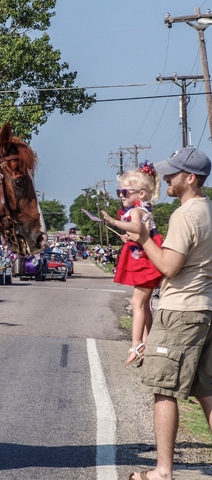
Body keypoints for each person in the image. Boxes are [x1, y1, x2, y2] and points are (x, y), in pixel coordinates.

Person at [127, 148, 212, 480]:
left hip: (180, 311)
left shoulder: (185, 215)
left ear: (190, 179)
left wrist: (144, 238)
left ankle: (162, 472)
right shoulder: (208, 210)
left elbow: (168, 267)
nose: (166, 179)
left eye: (173, 174)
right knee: (206, 390)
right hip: (205, 307)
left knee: (164, 389)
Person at [102, 161, 163, 365]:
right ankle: (147, 341)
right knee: (145, 304)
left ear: (141, 194)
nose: (121, 196)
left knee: (136, 303)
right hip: (148, 260)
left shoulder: (137, 211)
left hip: (146, 263)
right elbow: (141, 234)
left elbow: (137, 228)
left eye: (125, 192)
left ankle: (136, 344)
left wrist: (113, 222)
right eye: (120, 192)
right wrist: (129, 238)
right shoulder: (145, 210)